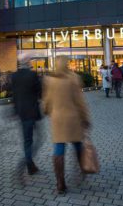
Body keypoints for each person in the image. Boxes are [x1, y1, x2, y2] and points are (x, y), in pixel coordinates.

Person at [43, 56, 90, 195]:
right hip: (73, 118)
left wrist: (47, 111)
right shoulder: (74, 78)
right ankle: (82, 168)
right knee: (78, 144)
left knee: (58, 148)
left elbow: (47, 100)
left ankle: (60, 183)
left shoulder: (49, 80)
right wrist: (85, 118)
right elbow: (80, 101)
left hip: (57, 119)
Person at [11, 56, 43, 175]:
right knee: (38, 138)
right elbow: (40, 92)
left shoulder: (14, 76)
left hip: (21, 112)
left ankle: (30, 162)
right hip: (32, 111)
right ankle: (28, 162)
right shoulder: (32, 75)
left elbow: (14, 95)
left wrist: (15, 110)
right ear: (27, 63)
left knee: (27, 140)